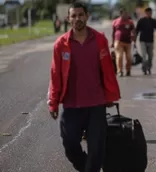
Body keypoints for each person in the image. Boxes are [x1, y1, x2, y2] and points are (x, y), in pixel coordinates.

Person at [47, 2, 120, 172]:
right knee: (70, 144)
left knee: (96, 148)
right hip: (71, 105)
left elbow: (108, 70)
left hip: (96, 103)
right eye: (74, 16)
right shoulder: (61, 44)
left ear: (87, 16)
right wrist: (53, 102)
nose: (77, 19)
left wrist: (110, 95)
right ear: (68, 19)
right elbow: (55, 75)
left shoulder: (99, 39)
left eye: (81, 15)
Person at [136, 7, 156, 75]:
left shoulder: (154, 21)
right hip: (142, 40)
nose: (149, 14)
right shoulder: (141, 21)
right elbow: (137, 30)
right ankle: (144, 68)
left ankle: (149, 67)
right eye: (147, 13)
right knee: (144, 55)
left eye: (150, 13)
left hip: (150, 41)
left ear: (151, 13)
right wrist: (134, 38)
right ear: (145, 13)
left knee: (150, 56)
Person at [111, 8, 136, 77]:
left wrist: (134, 37)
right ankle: (120, 71)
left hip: (128, 42)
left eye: (126, 13)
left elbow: (133, 30)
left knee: (129, 57)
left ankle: (128, 70)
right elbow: (113, 33)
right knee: (119, 56)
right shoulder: (115, 21)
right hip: (118, 42)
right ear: (121, 14)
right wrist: (113, 42)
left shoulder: (130, 22)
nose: (126, 15)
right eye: (124, 13)